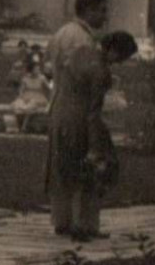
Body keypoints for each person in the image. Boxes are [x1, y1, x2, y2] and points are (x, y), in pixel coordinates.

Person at [45, 29, 139, 239]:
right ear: (114, 50)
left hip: (60, 114)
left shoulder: (80, 52)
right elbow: (93, 110)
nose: (120, 62)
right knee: (93, 169)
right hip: (81, 119)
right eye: (122, 57)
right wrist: (96, 142)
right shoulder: (102, 72)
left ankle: (62, 221)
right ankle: (85, 224)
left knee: (63, 168)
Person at [45, 0, 109, 88]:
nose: (106, 18)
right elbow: (84, 77)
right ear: (89, 11)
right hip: (74, 100)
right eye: (103, 11)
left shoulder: (62, 32)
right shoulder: (82, 38)